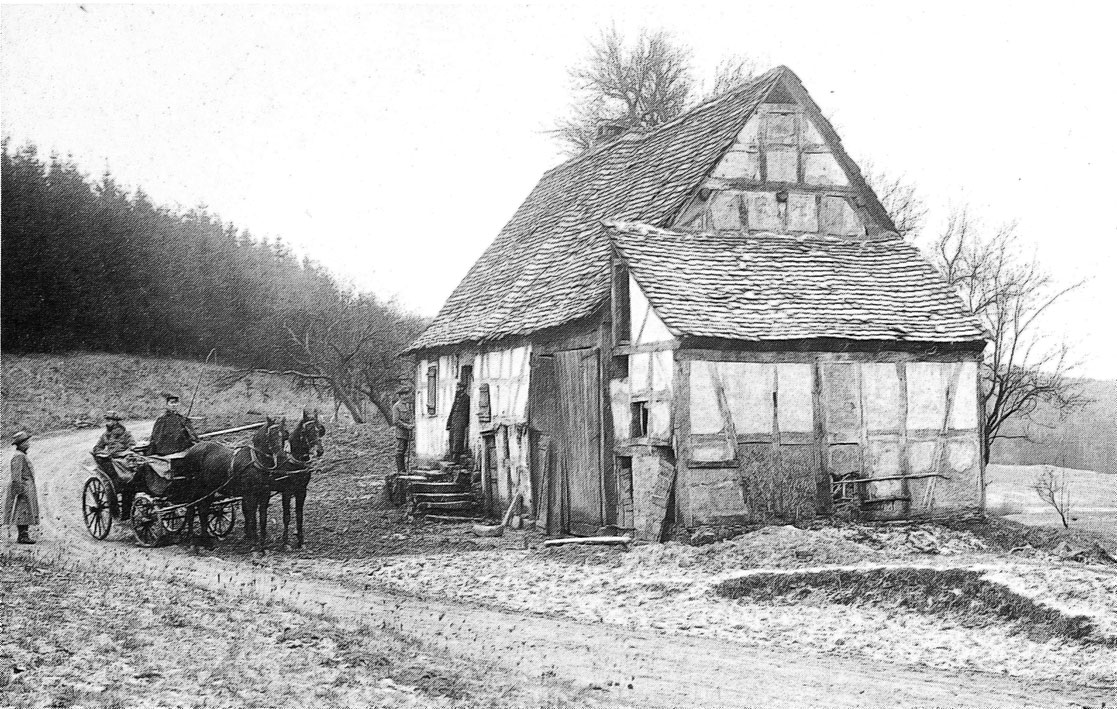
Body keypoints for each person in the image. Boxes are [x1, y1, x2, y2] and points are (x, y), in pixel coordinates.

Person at [4, 431, 39, 544]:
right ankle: (22, 536)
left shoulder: (21, 455)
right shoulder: (18, 456)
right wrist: (19, 490)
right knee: (21, 512)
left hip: (25, 487)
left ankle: (24, 534)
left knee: (26, 511)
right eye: (26, 442)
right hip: (22, 488)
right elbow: (16, 475)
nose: (28, 444)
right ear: (21, 444)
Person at [445, 380, 470, 463]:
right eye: (457, 387)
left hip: (460, 420)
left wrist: (464, 422)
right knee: (451, 438)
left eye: (458, 388)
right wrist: (449, 422)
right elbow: (452, 411)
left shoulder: (466, 398)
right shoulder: (457, 398)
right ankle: (452, 456)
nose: (456, 389)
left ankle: (456, 458)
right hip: (454, 420)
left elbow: (466, 411)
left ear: (462, 388)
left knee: (458, 438)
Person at [392, 387, 414, 474]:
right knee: (400, 451)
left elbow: (410, 417)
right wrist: (407, 426)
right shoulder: (396, 406)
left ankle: (404, 470)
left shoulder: (408, 405)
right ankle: (401, 470)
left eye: (407, 394)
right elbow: (396, 421)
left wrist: (411, 425)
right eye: (404, 394)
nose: (406, 396)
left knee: (405, 450)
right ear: (400, 396)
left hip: (407, 432)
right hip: (401, 432)